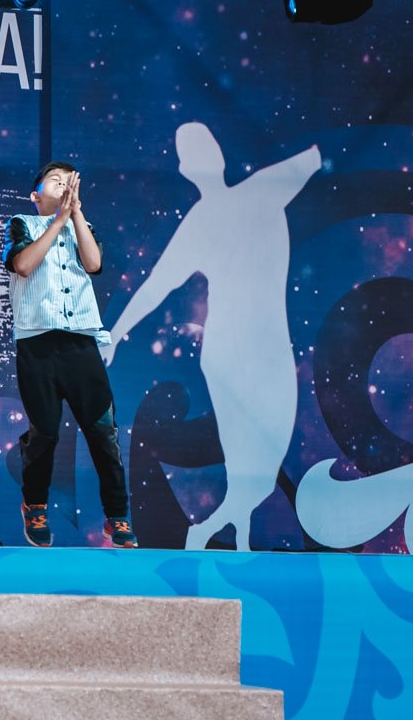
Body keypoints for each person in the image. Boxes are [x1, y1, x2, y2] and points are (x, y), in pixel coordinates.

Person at [104, 123, 319, 550]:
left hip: (269, 349)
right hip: (231, 353)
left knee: (262, 464)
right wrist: (115, 333)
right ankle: (216, 535)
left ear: (220, 155)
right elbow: (156, 286)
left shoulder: (262, 191)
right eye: (195, 153)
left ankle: (219, 533)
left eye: (207, 148)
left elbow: (316, 155)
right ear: (187, 169)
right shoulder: (208, 219)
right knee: (250, 464)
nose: (205, 158)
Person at [2, 162, 137, 548]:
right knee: (44, 432)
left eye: (68, 182)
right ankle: (35, 506)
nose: (62, 185)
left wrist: (74, 215)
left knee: (102, 431)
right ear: (35, 195)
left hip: (80, 343)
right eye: (54, 181)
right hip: (38, 344)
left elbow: (94, 264)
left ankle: (117, 516)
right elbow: (23, 265)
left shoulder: (83, 225)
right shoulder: (22, 224)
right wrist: (58, 220)